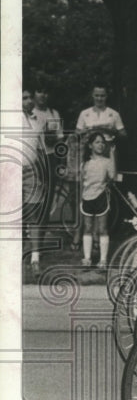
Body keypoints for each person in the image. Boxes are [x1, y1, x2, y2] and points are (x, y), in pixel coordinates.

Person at [20, 89, 48, 278]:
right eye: (24, 98)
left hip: (32, 172)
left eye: (30, 98)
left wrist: (43, 174)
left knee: (33, 215)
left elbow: (41, 149)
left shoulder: (38, 121)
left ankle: (35, 259)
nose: (29, 101)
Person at [80, 130, 114, 268]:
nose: (100, 145)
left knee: (103, 228)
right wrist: (81, 199)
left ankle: (103, 260)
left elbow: (112, 176)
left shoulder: (107, 162)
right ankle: (87, 259)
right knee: (87, 228)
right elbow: (82, 181)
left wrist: (112, 154)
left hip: (101, 198)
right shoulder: (85, 163)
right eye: (97, 142)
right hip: (87, 198)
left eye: (102, 142)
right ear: (90, 145)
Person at [76, 86, 127, 177]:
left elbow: (123, 135)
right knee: (89, 176)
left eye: (102, 96)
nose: (99, 98)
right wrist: (86, 131)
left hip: (107, 148)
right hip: (90, 150)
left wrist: (110, 131)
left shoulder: (114, 114)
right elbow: (76, 134)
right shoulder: (84, 113)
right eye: (97, 95)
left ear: (106, 96)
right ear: (92, 95)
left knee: (109, 177)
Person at [32, 86, 64, 208]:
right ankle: (29, 224)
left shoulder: (53, 113)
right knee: (34, 190)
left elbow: (60, 136)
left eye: (45, 92)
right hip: (34, 157)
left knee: (49, 191)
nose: (42, 95)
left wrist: (61, 159)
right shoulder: (30, 112)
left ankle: (43, 224)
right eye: (39, 91)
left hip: (50, 156)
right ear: (34, 94)